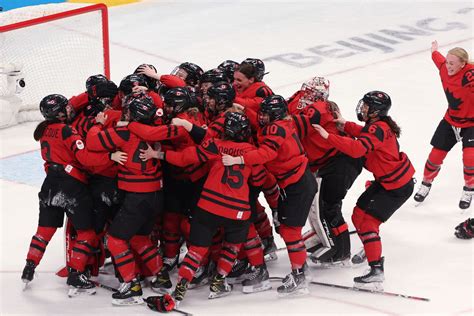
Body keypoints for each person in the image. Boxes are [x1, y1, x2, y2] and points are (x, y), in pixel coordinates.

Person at [145, 112, 271, 311]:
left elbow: (185, 158)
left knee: (196, 250)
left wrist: (158, 154)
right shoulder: (251, 151)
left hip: (207, 207)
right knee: (232, 245)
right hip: (236, 210)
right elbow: (259, 180)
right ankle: (219, 282)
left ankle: (180, 288)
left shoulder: (215, 145)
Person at [21, 94, 123, 297]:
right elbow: (85, 158)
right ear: (58, 113)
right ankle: (76, 274)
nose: (70, 110)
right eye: (66, 108)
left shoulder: (43, 131)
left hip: (50, 184)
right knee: (87, 233)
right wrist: (110, 156)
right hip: (72, 187)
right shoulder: (67, 130)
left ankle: (29, 267)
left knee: (44, 231)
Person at [312, 91, 415, 291]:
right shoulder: (379, 125)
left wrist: (328, 136)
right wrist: (345, 125)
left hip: (395, 187)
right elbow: (365, 134)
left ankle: (376, 270)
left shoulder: (378, 127)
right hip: (387, 183)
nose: (363, 108)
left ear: (376, 111)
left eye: (367, 106)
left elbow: (358, 149)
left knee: (367, 222)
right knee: (358, 215)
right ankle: (371, 247)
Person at [223, 95, 317, 297]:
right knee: (287, 228)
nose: (262, 117)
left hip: (297, 184)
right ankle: (301, 268)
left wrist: (238, 159)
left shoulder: (276, 129)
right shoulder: (283, 122)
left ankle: (299, 275)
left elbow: (266, 154)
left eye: (265, 114)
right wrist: (243, 108)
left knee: (291, 231)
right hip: (295, 182)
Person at [414, 41, 474, 209]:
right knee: (434, 157)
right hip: (450, 121)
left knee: (470, 159)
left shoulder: (470, 76)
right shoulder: (443, 67)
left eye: (452, 63)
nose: (448, 66)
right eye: (447, 62)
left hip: (471, 125)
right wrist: (434, 50)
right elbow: (437, 58)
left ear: (463, 64)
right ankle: (425, 184)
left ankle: (469, 188)